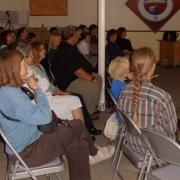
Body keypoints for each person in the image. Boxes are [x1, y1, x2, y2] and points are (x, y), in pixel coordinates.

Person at [0, 50, 115, 180]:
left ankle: (93, 152)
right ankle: (92, 153)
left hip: (31, 138)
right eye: (23, 64)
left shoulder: (8, 89)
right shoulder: (12, 95)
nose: (27, 65)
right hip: (27, 152)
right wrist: (37, 89)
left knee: (77, 124)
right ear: (14, 70)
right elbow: (45, 117)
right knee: (76, 141)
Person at [17, 41, 101, 135]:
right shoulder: (30, 69)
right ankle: (86, 129)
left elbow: (49, 85)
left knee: (76, 98)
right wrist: (61, 93)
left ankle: (85, 128)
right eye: (42, 49)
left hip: (52, 92)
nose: (45, 50)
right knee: (76, 97)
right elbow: (45, 89)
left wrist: (60, 92)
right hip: (49, 97)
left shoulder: (39, 66)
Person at [118, 47, 177, 153]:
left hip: (130, 143)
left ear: (132, 67)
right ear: (153, 67)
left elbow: (123, 120)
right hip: (155, 149)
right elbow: (172, 129)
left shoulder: (123, 91)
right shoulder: (161, 96)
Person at [51, 25, 102, 115]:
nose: (79, 37)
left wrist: (91, 75)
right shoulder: (65, 49)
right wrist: (92, 79)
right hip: (68, 82)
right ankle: (88, 113)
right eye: (78, 35)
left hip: (74, 77)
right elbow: (76, 70)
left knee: (98, 77)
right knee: (93, 86)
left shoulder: (70, 46)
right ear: (72, 36)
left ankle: (90, 107)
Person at [108, 56, 130, 122]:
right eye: (128, 68)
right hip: (126, 116)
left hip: (119, 113)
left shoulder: (115, 82)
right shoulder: (125, 88)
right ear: (125, 72)